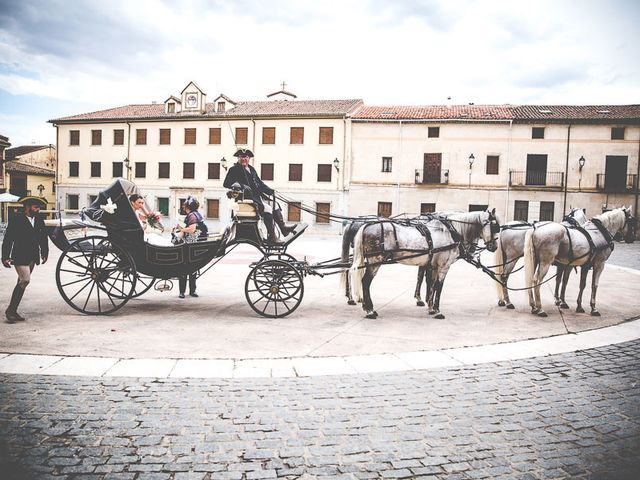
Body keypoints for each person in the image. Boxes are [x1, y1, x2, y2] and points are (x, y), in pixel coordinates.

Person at [223, 148, 295, 244]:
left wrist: (270, 191)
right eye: (242, 157)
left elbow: (259, 184)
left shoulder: (251, 169)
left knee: (275, 205)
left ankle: (283, 228)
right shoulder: (234, 169)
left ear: (249, 158)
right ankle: (272, 237)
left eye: (246, 157)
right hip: (248, 199)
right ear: (238, 158)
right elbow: (226, 183)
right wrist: (240, 185)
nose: (244, 159)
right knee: (268, 208)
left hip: (257, 197)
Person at [2, 197, 49, 323]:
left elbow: (43, 237)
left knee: (21, 283)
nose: (38, 209)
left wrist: (45, 252)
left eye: (39, 207)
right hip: (20, 255)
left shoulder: (39, 219)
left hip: (33, 256)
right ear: (27, 207)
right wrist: (5, 256)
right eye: (36, 207)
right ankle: (10, 311)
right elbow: (8, 238)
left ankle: (13, 310)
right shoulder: (17, 219)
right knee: (25, 280)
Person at [175, 196, 208, 298]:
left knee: (184, 268)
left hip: (190, 244)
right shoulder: (196, 214)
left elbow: (192, 229)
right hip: (196, 244)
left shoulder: (192, 215)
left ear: (187, 207)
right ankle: (192, 291)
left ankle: (182, 292)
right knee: (192, 268)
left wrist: (181, 229)